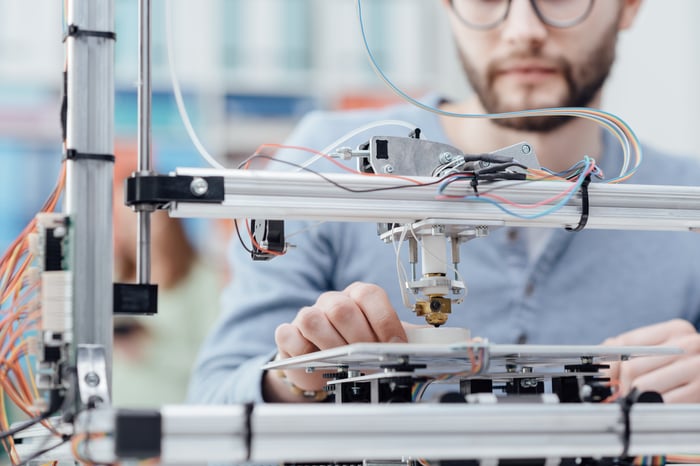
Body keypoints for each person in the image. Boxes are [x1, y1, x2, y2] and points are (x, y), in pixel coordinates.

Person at [189, 0, 700, 404]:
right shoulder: (332, 165)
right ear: (448, 5)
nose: (523, 28)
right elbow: (211, 410)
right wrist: (298, 380)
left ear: (629, 5)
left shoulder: (686, 200)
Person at [111, 146, 223, 407]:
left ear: (167, 216)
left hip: (172, 420)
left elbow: (214, 361)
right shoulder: (117, 274)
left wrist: (150, 348)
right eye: (123, 221)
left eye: (139, 219)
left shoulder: (202, 280)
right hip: (114, 419)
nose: (132, 231)